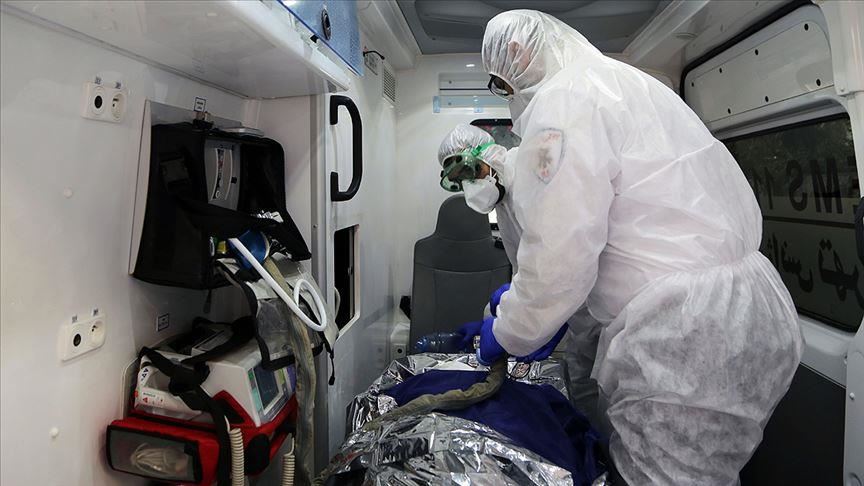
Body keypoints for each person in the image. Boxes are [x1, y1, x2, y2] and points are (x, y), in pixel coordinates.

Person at [455, 9, 803, 485]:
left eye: (502, 82)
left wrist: (511, 331)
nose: (508, 94)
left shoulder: (565, 100)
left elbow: (560, 256)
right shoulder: (626, 83)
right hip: (750, 307)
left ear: (517, 54)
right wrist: (530, 309)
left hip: (685, 331)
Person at [438, 124, 603, 421]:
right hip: (578, 309)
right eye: (460, 181)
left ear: (489, 154)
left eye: (471, 172)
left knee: (603, 393)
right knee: (583, 388)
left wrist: (514, 329)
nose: (470, 186)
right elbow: (532, 267)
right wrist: (512, 301)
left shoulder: (531, 178)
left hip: (599, 307)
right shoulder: (505, 202)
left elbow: (559, 264)